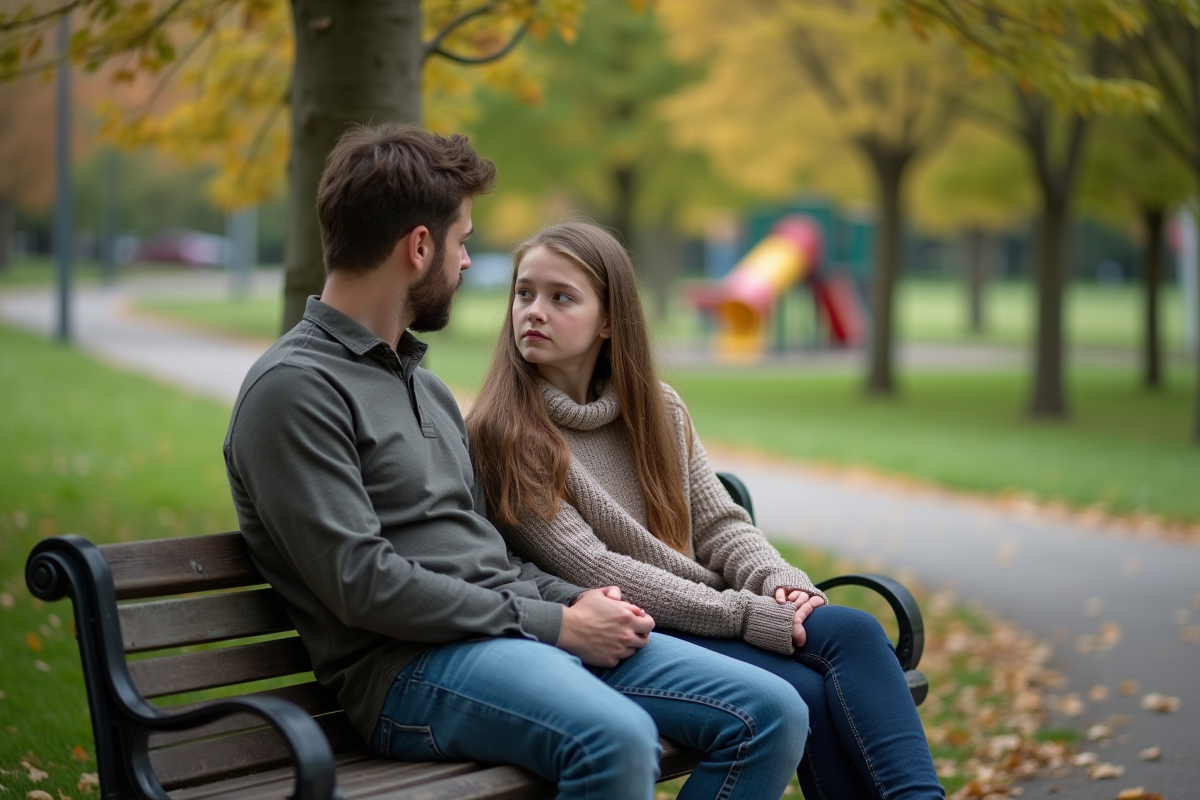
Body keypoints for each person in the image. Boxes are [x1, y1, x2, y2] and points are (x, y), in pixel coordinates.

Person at [223, 123, 810, 800]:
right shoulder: (294, 390)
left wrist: (582, 603)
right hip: (410, 673)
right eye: (462, 241)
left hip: (514, 638)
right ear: (419, 247)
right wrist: (558, 624)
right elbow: (363, 584)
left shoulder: (423, 385)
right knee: (616, 739)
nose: (467, 263)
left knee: (770, 712)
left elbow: (486, 558)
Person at [467, 221, 946, 800]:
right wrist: (745, 614)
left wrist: (780, 584)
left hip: (709, 611)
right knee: (807, 694)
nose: (534, 311)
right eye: (524, 293)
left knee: (853, 629)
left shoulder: (658, 410)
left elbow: (720, 525)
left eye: (560, 297)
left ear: (611, 320)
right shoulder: (507, 435)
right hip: (635, 633)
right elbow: (595, 569)